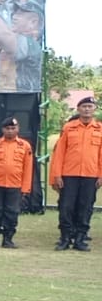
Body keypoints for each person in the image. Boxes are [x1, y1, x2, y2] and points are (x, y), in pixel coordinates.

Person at [50, 95, 102, 251]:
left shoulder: (99, 129)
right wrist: (57, 174)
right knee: (66, 207)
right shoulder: (69, 128)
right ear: (78, 109)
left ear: (95, 109)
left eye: (90, 107)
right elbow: (59, 153)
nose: (87, 109)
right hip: (69, 174)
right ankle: (65, 238)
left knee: (85, 207)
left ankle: (80, 239)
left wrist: (100, 175)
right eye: (84, 106)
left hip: (90, 175)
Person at [0, 117, 34, 248]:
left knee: (12, 212)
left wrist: (26, 188)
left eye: (13, 128)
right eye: (7, 128)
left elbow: (28, 169)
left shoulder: (25, 146)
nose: (10, 131)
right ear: (2, 129)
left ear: (18, 129)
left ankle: (8, 239)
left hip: (15, 185)